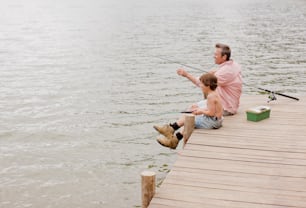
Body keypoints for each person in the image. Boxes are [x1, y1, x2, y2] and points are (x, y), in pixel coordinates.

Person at [154, 73, 223, 149]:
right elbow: (213, 109)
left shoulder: (211, 96)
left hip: (212, 122)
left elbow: (211, 113)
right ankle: (173, 136)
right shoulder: (214, 94)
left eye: (202, 84)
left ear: (208, 85)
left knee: (187, 120)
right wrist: (199, 110)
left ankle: (171, 133)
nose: (200, 86)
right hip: (215, 120)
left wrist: (201, 111)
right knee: (188, 116)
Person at [177, 43, 242, 116]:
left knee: (192, 110)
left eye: (216, 54)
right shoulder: (233, 65)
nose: (214, 56)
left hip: (226, 108)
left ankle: (175, 126)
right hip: (229, 103)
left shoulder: (225, 71)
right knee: (192, 106)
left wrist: (186, 75)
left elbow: (201, 83)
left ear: (224, 57)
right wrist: (215, 72)